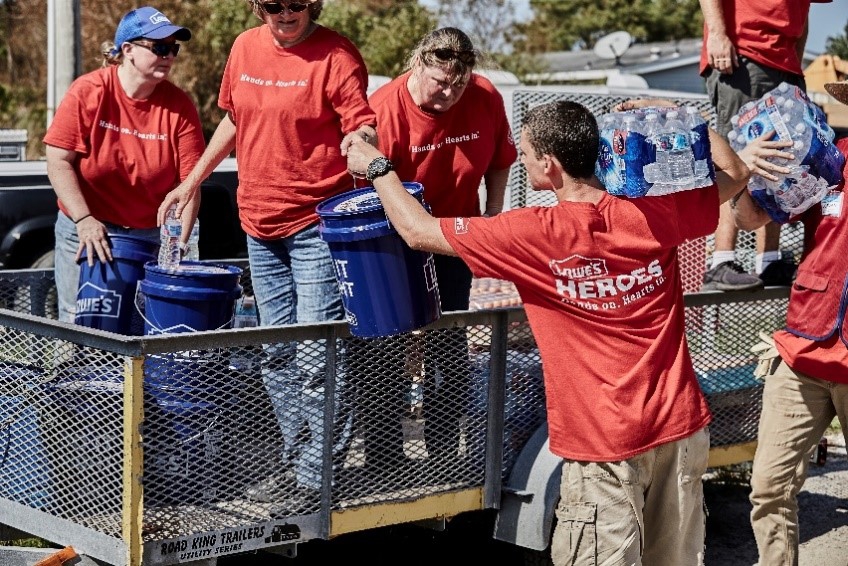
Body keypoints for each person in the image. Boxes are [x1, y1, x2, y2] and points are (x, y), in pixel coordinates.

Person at [344, 98, 751, 565]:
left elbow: (418, 231)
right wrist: (681, 117)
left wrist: (377, 167)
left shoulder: (530, 233)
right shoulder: (650, 212)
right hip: (679, 428)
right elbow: (736, 174)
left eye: (526, 151)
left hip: (605, 445)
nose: (519, 157)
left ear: (549, 164)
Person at [157, 0, 377, 513]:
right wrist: (192, 182)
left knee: (317, 355)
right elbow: (234, 121)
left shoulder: (336, 55)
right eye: (271, 4)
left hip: (315, 224)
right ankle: (295, 462)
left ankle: (317, 476)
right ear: (257, 8)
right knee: (277, 351)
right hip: (258, 223)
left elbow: (360, 124)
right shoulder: (243, 47)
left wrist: (361, 143)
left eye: (295, 3)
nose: (284, 12)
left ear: (314, 4)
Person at [366, 27, 517, 469]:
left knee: (446, 346)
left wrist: (491, 214)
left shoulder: (486, 96)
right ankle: (384, 460)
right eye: (440, 83)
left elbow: (500, 162)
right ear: (417, 66)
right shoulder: (384, 109)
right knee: (387, 348)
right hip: (394, 240)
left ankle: (445, 456)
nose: (450, 93)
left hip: (454, 237)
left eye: (459, 84)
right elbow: (370, 186)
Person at [731, 78, 848, 566]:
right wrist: (744, 171)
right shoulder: (830, 157)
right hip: (805, 346)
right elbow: (752, 218)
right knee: (768, 486)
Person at [44, 6, 203, 324]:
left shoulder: (179, 106)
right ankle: (75, 375)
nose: (168, 56)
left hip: (147, 237)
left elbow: (189, 187)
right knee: (80, 321)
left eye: (173, 49)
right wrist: (84, 219)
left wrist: (177, 248)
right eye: (159, 48)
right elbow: (58, 161)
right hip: (87, 228)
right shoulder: (89, 92)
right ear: (128, 50)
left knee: (138, 324)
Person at [697, 0, 828, 291]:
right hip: (745, 53)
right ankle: (721, 260)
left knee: (780, 159)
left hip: (784, 62)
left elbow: (801, 11)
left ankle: (768, 261)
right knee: (737, 155)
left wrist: (794, 60)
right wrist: (718, 34)